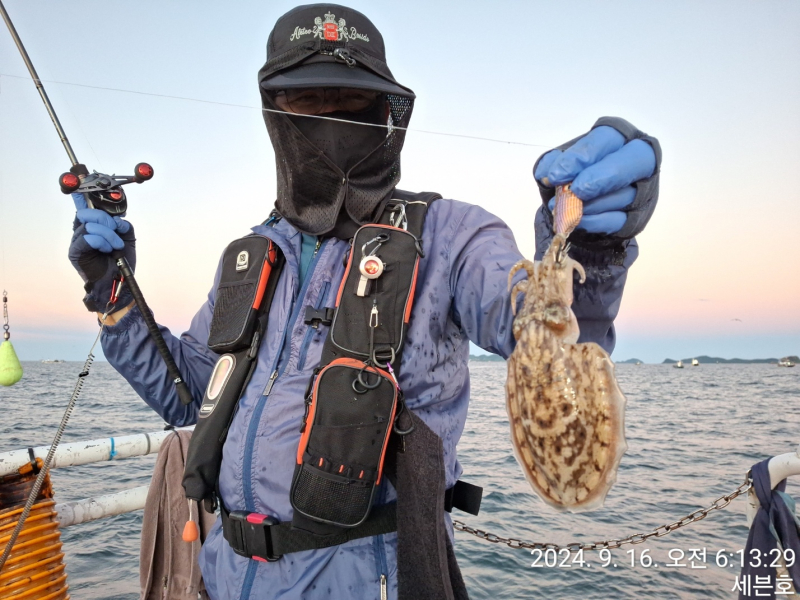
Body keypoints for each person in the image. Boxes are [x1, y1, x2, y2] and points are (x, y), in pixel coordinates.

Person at [67, 4, 660, 599]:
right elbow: (188, 392)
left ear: (386, 115)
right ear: (276, 117)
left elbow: (545, 326)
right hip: (225, 577)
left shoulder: (453, 237)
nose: (331, 120)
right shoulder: (247, 259)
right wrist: (113, 291)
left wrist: (592, 242)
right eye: (308, 103)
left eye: (353, 104)